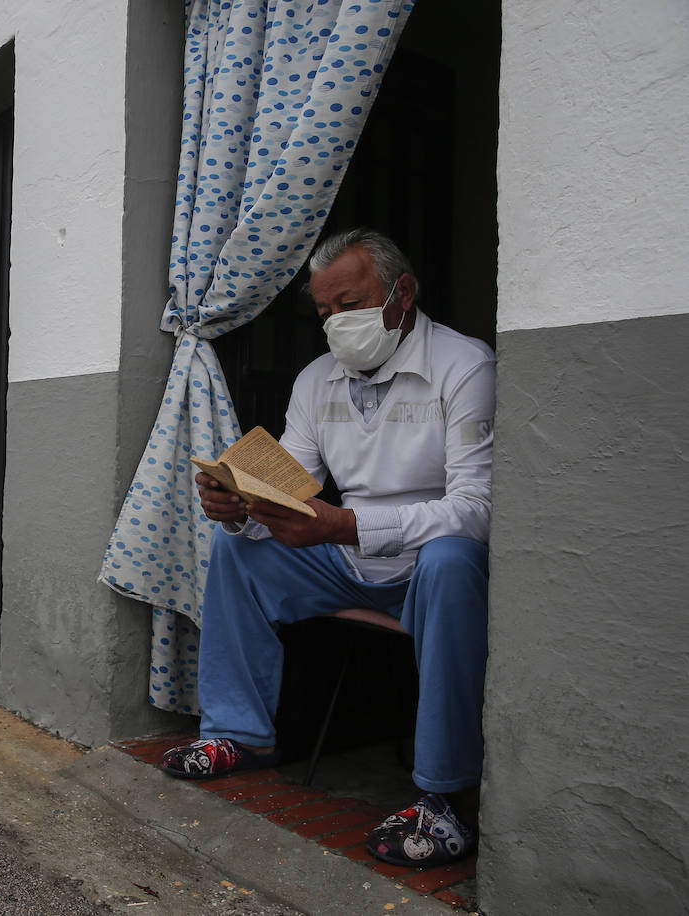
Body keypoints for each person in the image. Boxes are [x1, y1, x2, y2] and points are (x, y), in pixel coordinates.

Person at [159, 228, 495, 869]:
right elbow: (290, 484)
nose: (337, 322)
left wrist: (346, 527)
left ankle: (445, 797)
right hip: (348, 556)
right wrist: (240, 507)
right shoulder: (317, 379)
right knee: (239, 552)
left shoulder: (465, 366)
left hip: (427, 564)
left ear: (403, 293)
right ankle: (241, 736)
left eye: (352, 302)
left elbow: (477, 509)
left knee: (454, 558)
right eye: (324, 311)